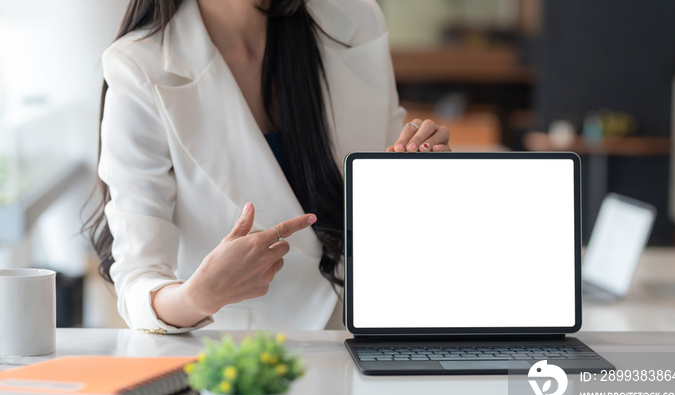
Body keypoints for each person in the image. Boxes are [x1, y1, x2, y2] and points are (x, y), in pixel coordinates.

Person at [85, 0, 451, 334]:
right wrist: (199, 296)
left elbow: (390, 219)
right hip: (244, 364)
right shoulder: (140, 66)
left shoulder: (356, 20)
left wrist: (424, 177)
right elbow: (138, 282)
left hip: (371, 339)